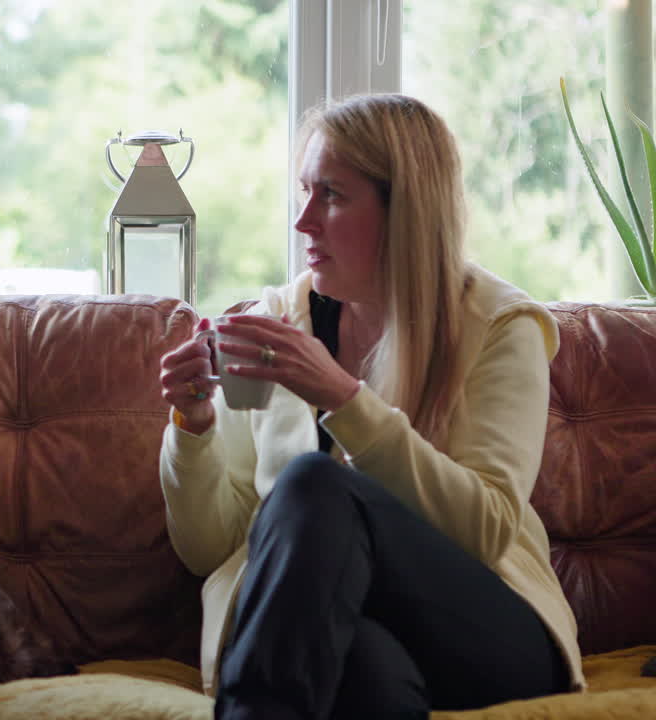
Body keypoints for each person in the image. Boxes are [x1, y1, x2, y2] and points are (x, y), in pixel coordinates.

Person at [158, 94, 582, 719]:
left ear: (404, 210)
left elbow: (487, 529)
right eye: (303, 191)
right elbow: (210, 546)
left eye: (330, 194)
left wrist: (342, 398)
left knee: (312, 484)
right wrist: (194, 430)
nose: (303, 221)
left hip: (485, 626)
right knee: (359, 671)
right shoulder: (277, 321)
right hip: (341, 630)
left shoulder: (497, 326)